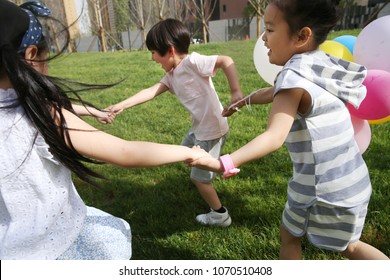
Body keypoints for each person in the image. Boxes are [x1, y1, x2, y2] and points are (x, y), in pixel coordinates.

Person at [0, 0, 208, 260]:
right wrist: (190, 153)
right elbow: (126, 151)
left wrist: (95, 111)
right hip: (54, 246)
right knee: (113, 238)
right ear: (31, 55)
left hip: (8, 256)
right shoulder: (38, 114)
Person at [189, 0, 389, 259]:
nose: (262, 38)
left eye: (270, 30)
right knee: (349, 244)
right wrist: (244, 100)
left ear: (301, 36)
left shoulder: (292, 78)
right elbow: (276, 93)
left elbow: (273, 137)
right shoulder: (318, 62)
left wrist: (222, 163)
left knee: (294, 237)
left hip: (321, 190)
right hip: (352, 180)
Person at [108, 19, 243, 227]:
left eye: (154, 52)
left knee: (199, 178)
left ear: (170, 51)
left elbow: (226, 60)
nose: (152, 58)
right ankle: (212, 168)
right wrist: (122, 105)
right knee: (181, 152)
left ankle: (220, 214)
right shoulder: (171, 75)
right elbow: (150, 92)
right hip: (198, 129)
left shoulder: (193, 63)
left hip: (211, 132)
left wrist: (236, 92)